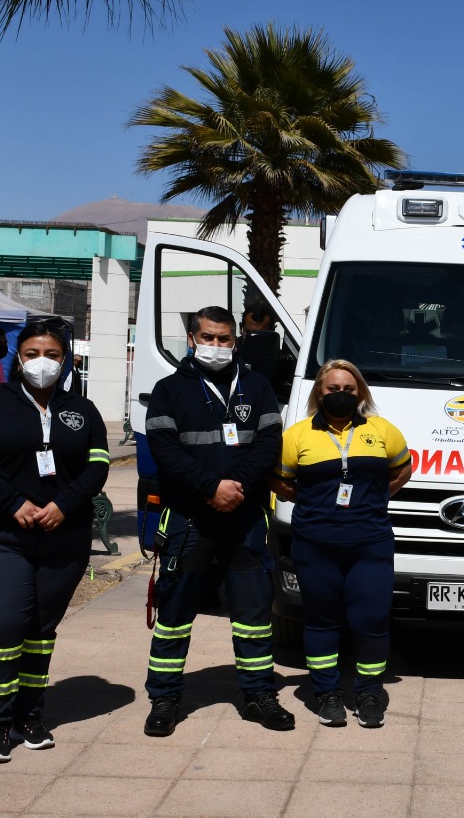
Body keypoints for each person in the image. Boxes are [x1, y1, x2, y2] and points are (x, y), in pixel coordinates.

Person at [0, 320, 109, 763]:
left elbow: (97, 467)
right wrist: (12, 503)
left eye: (52, 354)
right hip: (0, 535)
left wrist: (64, 504)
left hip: (64, 539)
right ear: (18, 358)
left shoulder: (82, 409)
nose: (42, 362)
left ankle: (29, 716)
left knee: (40, 632)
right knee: (6, 625)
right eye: (32, 354)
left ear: (66, 361)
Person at [142, 306, 293, 736]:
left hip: (244, 520)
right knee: (174, 615)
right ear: (192, 339)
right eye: (208, 337)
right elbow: (165, 453)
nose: (216, 345)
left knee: (253, 615)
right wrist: (211, 488)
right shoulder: (169, 390)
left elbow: (268, 445)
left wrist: (234, 489)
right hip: (189, 520)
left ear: (236, 341)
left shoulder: (257, 387)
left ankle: (259, 694)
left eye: (224, 338)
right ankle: (165, 699)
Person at [271, 360, 412, 728]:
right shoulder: (298, 435)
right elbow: (279, 480)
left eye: (349, 389)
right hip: (315, 544)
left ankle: (369, 692)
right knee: (321, 621)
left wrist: (377, 497)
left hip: (370, 544)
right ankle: (327, 693)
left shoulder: (382, 430)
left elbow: (403, 469)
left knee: (372, 621)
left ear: (360, 392)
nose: (341, 395)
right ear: (320, 392)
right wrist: (308, 500)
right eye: (333, 389)